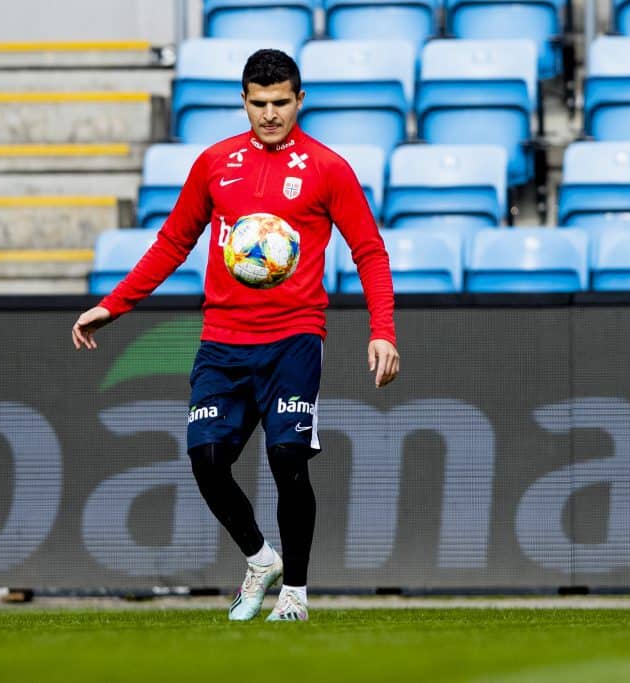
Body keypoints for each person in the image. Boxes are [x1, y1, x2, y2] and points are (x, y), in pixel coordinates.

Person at [72, 48, 399, 622]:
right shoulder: (214, 164)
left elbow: (369, 251)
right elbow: (173, 242)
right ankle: (260, 559)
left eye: (281, 102)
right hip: (223, 340)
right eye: (259, 103)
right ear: (243, 102)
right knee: (206, 458)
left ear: (300, 100)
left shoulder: (328, 168)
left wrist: (383, 331)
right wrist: (113, 305)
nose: (270, 114)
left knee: (287, 457)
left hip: (294, 337)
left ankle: (295, 593)